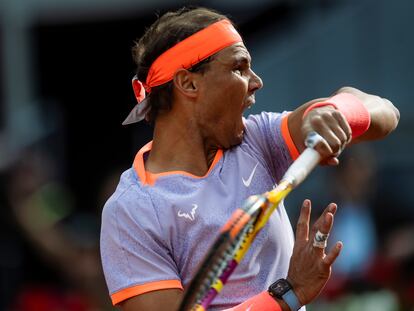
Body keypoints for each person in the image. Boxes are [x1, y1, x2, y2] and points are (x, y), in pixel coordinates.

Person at [100, 7, 399, 311]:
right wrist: (288, 295)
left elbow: (385, 112)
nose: (256, 81)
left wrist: (331, 114)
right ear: (188, 83)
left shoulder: (259, 139)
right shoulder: (131, 211)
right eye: (239, 68)